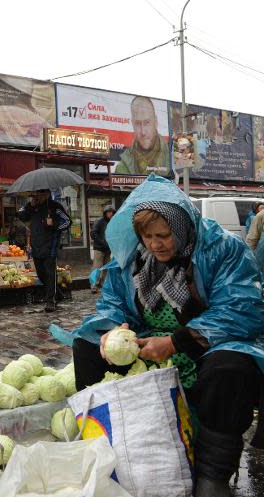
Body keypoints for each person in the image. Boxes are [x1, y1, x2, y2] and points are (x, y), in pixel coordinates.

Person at [56, 175, 264, 497]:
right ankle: (107, 447)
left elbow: (242, 309)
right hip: (149, 342)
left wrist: (175, 343)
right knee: (86, 345)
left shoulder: (223, 249)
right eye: (147, 236)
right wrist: (114, 327)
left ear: (180, 228)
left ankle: (213, 475)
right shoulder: (132, 259)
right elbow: (111, 302)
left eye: (164, 235)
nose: (155, 244)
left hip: (209, 344)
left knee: (230, 369)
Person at [17, 190, 71, 312]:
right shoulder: (33, 207)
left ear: (47, 194)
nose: (38, 196)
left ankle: (50, 301)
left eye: (41, 194)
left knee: (50, 274)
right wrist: (30, 205)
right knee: (41, 275)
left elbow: (67, 222)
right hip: (36, 247)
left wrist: (54, 224)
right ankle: (58, 293)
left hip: (50, 247)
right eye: (37, 194)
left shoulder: (55, 207)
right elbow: (20, 215)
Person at [115, 96, 171, 176]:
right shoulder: (123, 167)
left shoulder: (172, 156)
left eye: (147, 122)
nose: (143, 132)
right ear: (133, 124)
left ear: (156, 122)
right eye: (138, 123)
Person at [90, 206, 116, 294]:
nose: (110, 214)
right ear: (105, 213)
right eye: (108, 212)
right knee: (97, 267)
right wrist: (101, 242)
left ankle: (104, 284)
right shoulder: (100, 221)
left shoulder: (113, 222)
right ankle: (94, 285)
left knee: (107, 268)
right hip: (99, 248)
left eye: (112, 212)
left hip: (108, 249)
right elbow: (93, 233)